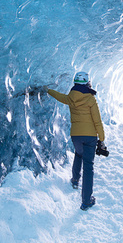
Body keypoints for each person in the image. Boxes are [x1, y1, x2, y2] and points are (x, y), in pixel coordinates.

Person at [47, 71, 106, 211]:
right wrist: (102, 139)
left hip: (76, 135)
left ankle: (75, 180)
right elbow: (97, 121)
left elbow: (59, 96)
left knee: (79, 155)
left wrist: (47, 90)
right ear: (87, 83)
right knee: (88, 167)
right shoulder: (90, 99)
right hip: (90, 136)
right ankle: (86, 201)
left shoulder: (70, 98)